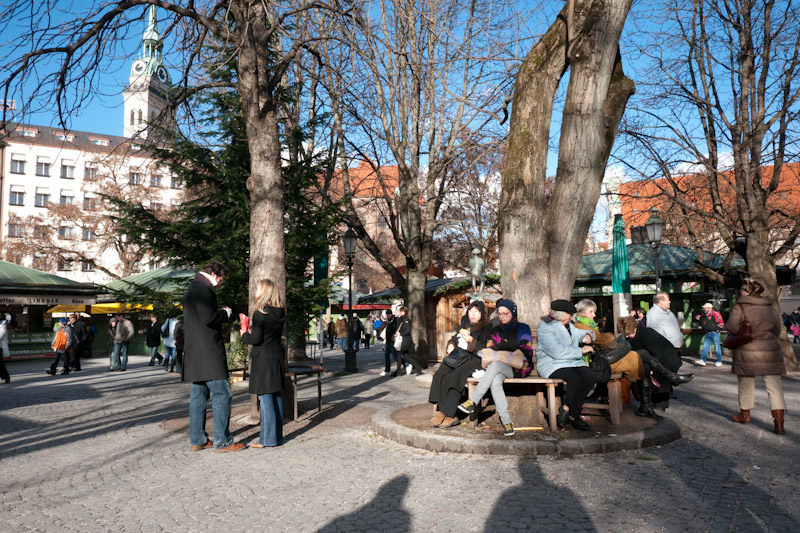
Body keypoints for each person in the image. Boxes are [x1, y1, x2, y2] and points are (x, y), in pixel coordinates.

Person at [182, 261, 243, 452]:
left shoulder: (192, 287)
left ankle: (197, 439)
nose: (220, 284)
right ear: (215, 274)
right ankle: (222, 441)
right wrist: (225, 313)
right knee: (222, 393)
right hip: (208, 351)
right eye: (221, 280)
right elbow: (208, 318)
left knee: (198, 395)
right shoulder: (203, 289)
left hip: (195, 351)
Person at [458, 299, 533, 436]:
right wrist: (506, 348)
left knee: (495, 364)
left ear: (513, 313)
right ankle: (507, 423)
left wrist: (502, 347)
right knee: (495, 381)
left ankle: (473, 400)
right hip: (499, 367)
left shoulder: (523, 328)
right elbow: (489, 349)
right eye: (500, 313)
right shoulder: (495, 330)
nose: (502, 317)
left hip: (519, 367)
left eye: (506, 313)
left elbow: (526, 349)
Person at [726, 277, 787, 435]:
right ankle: (779, 423)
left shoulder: (740, 307)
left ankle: (745, 416)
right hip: (770, 350)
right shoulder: (770, 308)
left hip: (746, 350)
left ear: (746, 291)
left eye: (742, 289)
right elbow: (777, 330)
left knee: (746, 383)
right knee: (774, 387)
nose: (740, 292)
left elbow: (731, 327)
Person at [429, 301, 493, 427]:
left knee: (455, 376)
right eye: (470, 311)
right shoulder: (464, 324)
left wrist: (471, 341)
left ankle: (446, 413)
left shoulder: (487, 328)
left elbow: (485, 349)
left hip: (473, 359)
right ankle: (445, 410)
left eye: (476, 312)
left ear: (482, 313)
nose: (473, 314)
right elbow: (454, 338)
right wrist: (451, 344)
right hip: (458, 356)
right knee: (440, 374)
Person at [535, 299, 597, 431]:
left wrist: (589, 335)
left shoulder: (569, 325)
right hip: (552, 364)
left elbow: (580, 334)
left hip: (571, 362)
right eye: (570, 314)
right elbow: (557, 352)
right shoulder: (546, 328)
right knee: (574, 379)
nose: (572, 317)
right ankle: (575, 417)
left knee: (590, 376)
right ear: (560, 314)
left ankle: (567, 409)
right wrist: (580, 350)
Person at [617, 317, 694, 418]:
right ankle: (646, 408)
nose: (627, 336)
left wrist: (652, 369)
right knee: (646, 375)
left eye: (629, 333)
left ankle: (657, 410)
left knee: (661, 389)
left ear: (635, 328)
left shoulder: (647, 334)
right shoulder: (631, 337)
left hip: (666, 359)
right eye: (625, 334)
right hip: (653, 360)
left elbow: (657, 353)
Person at [241, 279, 286, 448]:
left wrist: (244, 333)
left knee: (265, 396)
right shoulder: (280, 312)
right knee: (275, 395)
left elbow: (256, 339)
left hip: (263, 358)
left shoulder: (260, 314)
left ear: (264, 292)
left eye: (258, 289)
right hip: (276, 355)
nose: (256, 291)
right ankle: (277, 436)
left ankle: (267, 439)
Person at [574, 299, 644, 384]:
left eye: (594, 312)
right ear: (582, 312)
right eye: (591, 312)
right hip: (593, 362)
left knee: (634, 357)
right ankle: (635, 386)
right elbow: (602, 340)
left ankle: (637, 385)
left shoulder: (584, 324)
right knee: (632, 358)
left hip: (597, 359)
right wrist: (611, 336)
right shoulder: (581, 325)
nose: (594, 315)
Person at [394, 306, 424, 376]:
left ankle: (399, 371)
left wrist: (400, 333)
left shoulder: (405, 319)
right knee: (405, 356)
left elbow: (407, 330)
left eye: (399, 311)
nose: (398, 312)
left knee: (400, 355)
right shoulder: (403, 319)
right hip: (404, 340)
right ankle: (418, 368)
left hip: (404, 340)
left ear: (402, 311)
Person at [381, 309, 398, 377]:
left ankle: (405, 364)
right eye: (387, 314)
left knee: (395, 355)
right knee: (387, 355)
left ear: (391, 314)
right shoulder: (388, 321)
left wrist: (394, 335)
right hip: (388, 340)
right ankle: (387, 370)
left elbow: (396, 329)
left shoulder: (394, 320)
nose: (387, 316)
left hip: (393, 340)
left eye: (388, 314)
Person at [0, 315, 11, 383]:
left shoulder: (2, 326)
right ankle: (6, 376)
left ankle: (6, 376)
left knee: (0, 364)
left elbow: (1, 335)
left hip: (0, 347)